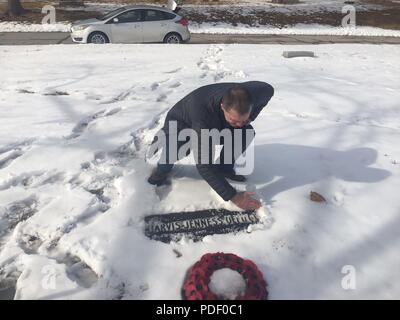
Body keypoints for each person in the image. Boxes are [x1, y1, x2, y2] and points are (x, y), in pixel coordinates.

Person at [147, 81, 274, 211]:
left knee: (245, 132)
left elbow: (270, 90)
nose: (239, 125)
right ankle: (161, 170)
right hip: (182, 123)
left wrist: (250, 118)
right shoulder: (203, 115)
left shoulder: (259, 92)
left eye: (242, 120)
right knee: (176, 149)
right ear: (223, 106)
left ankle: (224, 168)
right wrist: (234, 197)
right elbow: (204, 165)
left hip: (216, 121)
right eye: (235, 121)